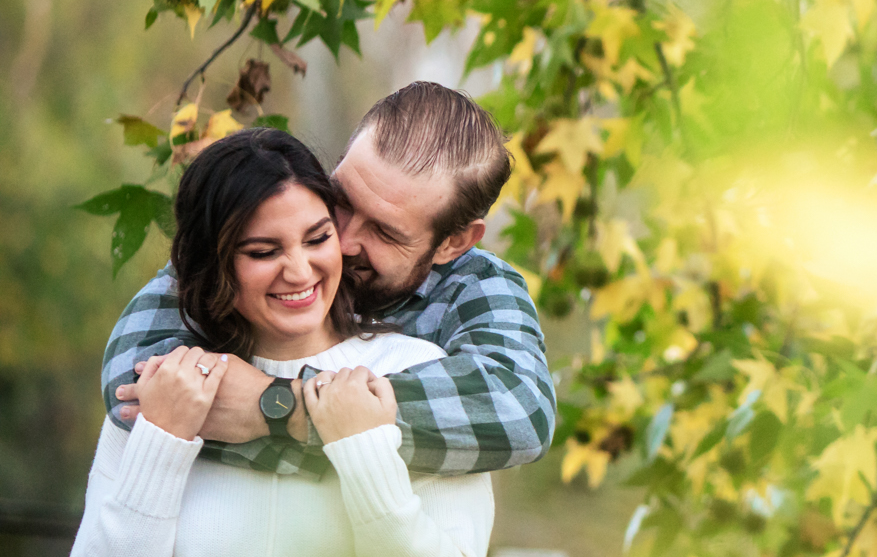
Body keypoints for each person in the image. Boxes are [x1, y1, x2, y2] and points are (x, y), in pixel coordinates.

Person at [61, 128, 494, 557]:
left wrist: (362, 445)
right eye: (264, 251)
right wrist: (163, 437)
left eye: (318, 238)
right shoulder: (168, 383)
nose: (300, 270)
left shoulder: (415, 379)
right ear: (213, 262)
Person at [100, 81, 553, 478]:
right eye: (343, 200)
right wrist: (369, 449)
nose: (344, 240)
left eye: (384, 232)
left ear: (454, 242)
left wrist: (279, 408)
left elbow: (519, 411)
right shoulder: (267, 225)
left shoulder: (475, 286)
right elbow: (134, 383)